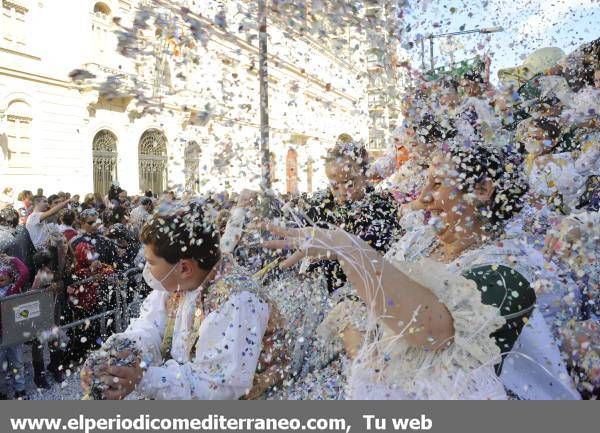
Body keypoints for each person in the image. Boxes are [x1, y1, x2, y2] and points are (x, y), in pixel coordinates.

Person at [263, 142, 578, 400]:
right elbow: (374, 308)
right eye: (425, 183)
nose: (423, 198)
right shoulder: (419, 241)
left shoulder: (511, 267)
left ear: (482, 189)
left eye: (437, 184)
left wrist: (351, 250)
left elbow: (433, 332)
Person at [79, 202, 284, 400]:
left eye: (151, 262)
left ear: (184, 268)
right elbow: (148, 327)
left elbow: (216, 388)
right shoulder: (177, 283)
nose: (146, 268)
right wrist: (115, 357)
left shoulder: (239, 300)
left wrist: (143, 379)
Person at [0, 254, 29, 399]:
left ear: (11, 278)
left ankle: (20, 389)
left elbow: (24, 272)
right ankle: (3, 391)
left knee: (17, 362)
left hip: (13, 332)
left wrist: (12, 259)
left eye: (3, 276)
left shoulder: (13, 289)